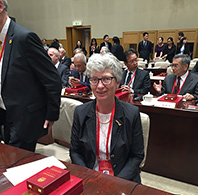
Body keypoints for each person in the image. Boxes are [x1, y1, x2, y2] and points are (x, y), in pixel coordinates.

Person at [70, 53, 144, 183]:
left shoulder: (131, 114)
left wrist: (116, 182)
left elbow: (137, 156)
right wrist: (88, 176)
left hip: (122, 179)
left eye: (106, 79)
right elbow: (75, 152)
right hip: (89, 176)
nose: (99, 86)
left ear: (117, 82)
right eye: (94, 79)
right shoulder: (80, 112)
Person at [0, 0, 62, 152]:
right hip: (4, 116)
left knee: (16, 166)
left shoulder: (24, 38)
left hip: (23, 119)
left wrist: (51, 113)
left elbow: (51, 78)